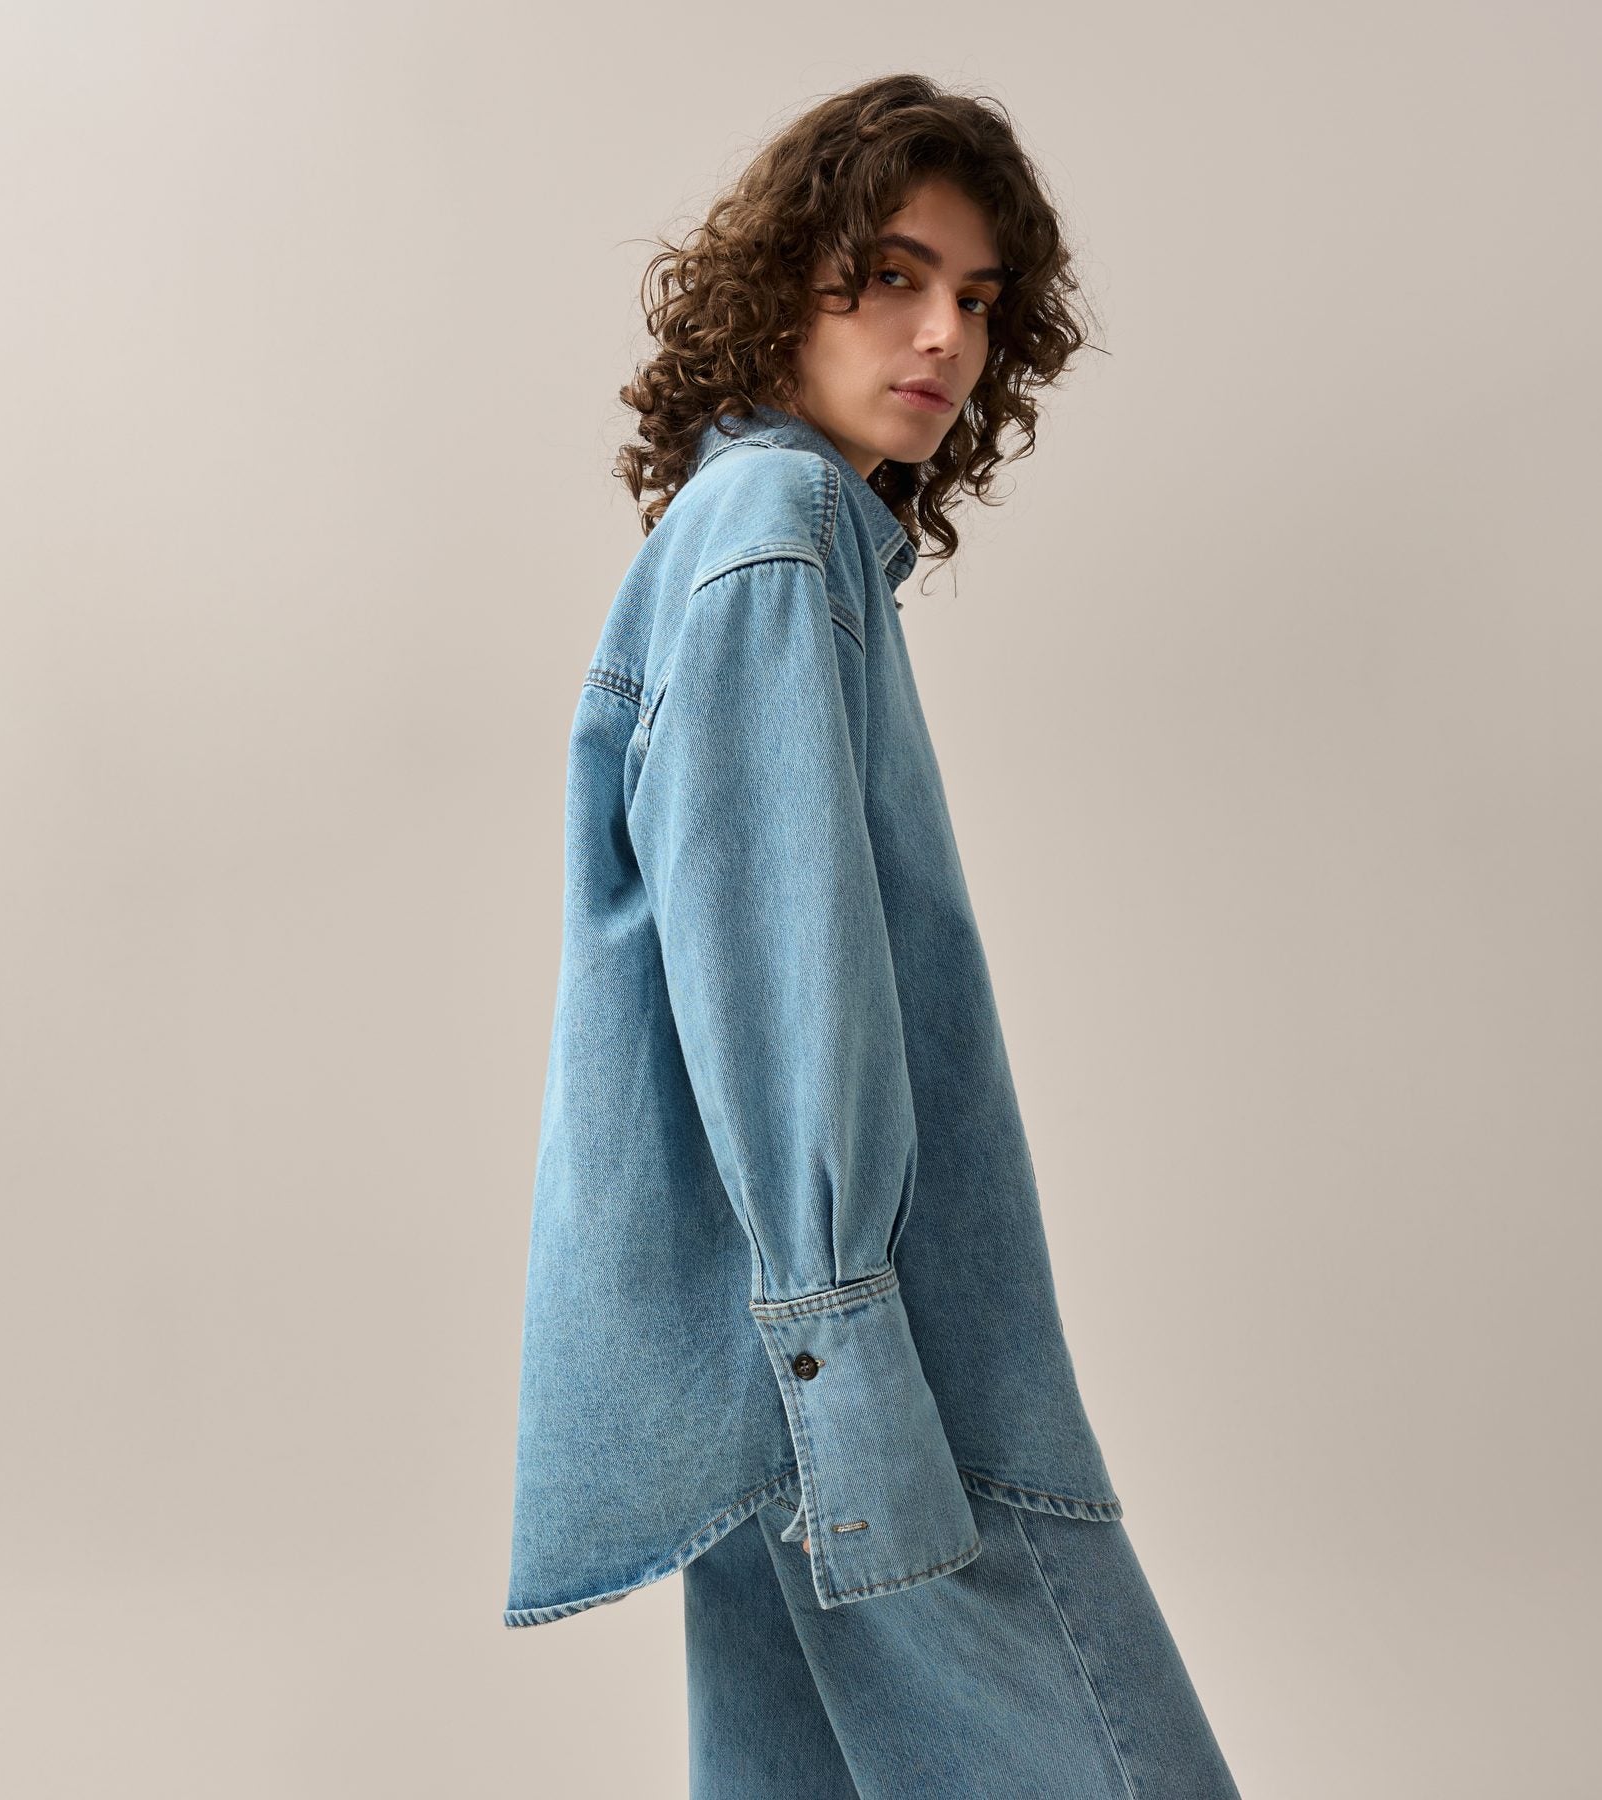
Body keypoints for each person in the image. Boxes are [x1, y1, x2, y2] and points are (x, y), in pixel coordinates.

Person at [505, 73, 1242, 1798]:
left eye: (977, 300)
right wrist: (844, 1358)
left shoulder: (758, 534)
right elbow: (774, 992)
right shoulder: (773, 539)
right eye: (894, 278)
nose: (943, 337)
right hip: (860, 1361)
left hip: (756, 1370)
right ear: (784, 285)